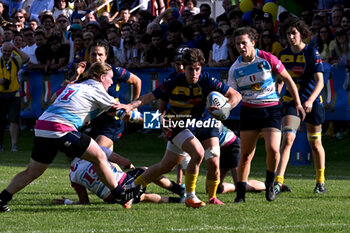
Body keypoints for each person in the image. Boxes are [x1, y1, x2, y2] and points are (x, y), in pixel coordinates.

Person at [0, 62, 141, 212]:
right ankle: (119, 194)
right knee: (99, 155)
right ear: (101, 77)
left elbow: (54, 98)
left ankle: (3, 198)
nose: (112, 82)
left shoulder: (76, 85)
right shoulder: (98, 91)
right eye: (111, 78)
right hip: (59, 127)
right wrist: (157, 121)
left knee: (32, 172)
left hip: (42, 126)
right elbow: (125, 114)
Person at [116, 48, 242, 208]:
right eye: (191, 69)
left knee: (206, 163)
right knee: (197, 154)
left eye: (197, 69)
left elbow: (236, 95)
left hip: (205, 123)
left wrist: (227, 107)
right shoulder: (174, 80)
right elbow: (150, 97)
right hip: (177, 123)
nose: (194, 73)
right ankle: (190, 197)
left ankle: (212, 197)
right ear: (184, 68)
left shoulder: (208, 80)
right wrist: (130, 106)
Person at [227, 27, 305, 203]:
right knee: (246, 154)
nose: (241, 47)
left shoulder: (268, 58)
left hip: (271, 110)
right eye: (238, 44)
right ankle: (240, 194)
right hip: (249, 111)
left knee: (274, 150)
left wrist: (298, 104)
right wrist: (226, 106)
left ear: (253, 42)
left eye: (244, 43)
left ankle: (270, 183)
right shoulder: (235, 68)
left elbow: (288, 80)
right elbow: (233, 95)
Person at [276, 18, 326, 194]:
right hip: (291, 102)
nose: (291, 37)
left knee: (315, 143)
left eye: (294, 33)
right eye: (288, 34)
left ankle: (320, 182)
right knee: (288, 139)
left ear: (302, 34)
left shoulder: (312, 53)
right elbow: (280, 80)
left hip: (312, 103)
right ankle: (278, 182)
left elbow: (320, 82)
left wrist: (310, 100)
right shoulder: (283, 55)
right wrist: (277, 95)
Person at [53, 146, 186, 208]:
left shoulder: (72, 175)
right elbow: (122, 160)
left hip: (112, 199)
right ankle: (180, 190)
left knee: (142, 196)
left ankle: (179, 201)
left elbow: (84, 201)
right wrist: (129, 165)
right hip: (123, 183)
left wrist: (68, 202)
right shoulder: (96, 150)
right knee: (146, 171)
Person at [75, 40, 142, 150]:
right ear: (88, 56)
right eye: (93, 54)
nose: (97, 58)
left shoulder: (115, 71)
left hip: (113, 121)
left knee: (96, 153)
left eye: (100, 54)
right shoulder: (84, 74)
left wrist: (134, 106)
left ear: (106, 56)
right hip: (94, 121)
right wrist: (76, 77)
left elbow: (137, 81)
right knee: (102, 158)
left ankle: (170, 122)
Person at [0, 42, 29, 152]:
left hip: (14, 94)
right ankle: (1, 145)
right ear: (1, 51)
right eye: (5, 51)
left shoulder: (16, 60)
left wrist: (15, 48)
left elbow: (26, 57)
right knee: (1, 120)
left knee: (14, 120)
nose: (7, 53)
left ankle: (14, 145)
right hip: (1, 93)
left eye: (9, 51)